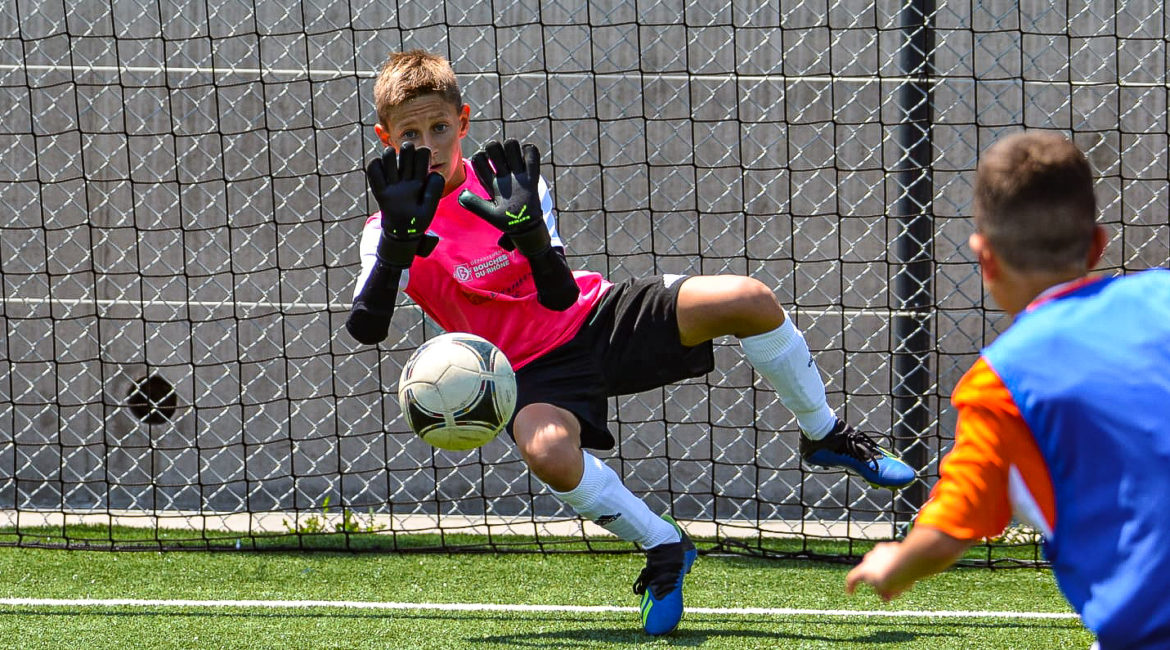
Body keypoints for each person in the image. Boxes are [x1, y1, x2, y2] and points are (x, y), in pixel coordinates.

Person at [346, 49, 916, 636]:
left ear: (462, 120)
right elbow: (367, 326)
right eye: (410, 133)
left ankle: (824, 433)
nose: (430, 144)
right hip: (527, 374)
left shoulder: (509, 182)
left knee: (749, 298)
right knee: (547, 453)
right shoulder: (383, 230)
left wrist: (530, 232)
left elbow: (561, 296)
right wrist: (396, 245)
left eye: (439, 127)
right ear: (385, 137)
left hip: (598, 317)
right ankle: (664, 546)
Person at [845, 131, 1170, 648]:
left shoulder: (1001, 384)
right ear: (1099, 243)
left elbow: (950, 528)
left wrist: (895, 564)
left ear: (984, 257)